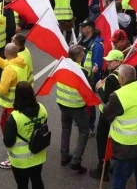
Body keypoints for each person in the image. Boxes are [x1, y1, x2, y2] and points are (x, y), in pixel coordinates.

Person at [103, 64, 137, 189]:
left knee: (119, 180)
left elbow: (107, 113)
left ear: (121, 78)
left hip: (128, 148)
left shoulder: (118, 95)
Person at [0, 43, 27, 168]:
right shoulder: (20, 63)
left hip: (10, 105)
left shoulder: (9, 70)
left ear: (5, 53)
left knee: (8, 130)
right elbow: (6, 63)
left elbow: (3, 90)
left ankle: (12, 158)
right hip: (20, 102)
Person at [4, 82, 48, 189]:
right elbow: (44, 128)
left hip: (20, 161)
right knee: (37, 181)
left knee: (22, 185)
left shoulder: (14, 117)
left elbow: (8, 141)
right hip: (38, 155)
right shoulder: (42, 108)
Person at [90, 49, 124, 181]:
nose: (107, 62)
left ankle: (102, 170)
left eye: (110, 61)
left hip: (106, 116)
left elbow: (107, 99)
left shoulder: (111, 78)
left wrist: (99, 87)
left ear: (118, 61)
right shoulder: (124, 74)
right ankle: (113, 165)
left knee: (102, 142)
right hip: (118, 115)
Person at [57, 45, 90, 175]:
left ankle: (64, 156)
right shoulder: (81, 71)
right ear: (78, 57)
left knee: (66, 128)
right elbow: (88, 89)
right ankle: (76, 160)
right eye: (82, 55)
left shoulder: (62, 65)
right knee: (84, 131)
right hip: (76, 105)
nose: (83, 57)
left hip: (62, 102)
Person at [77, 18, 103, 133]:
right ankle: (82, 121)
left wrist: (93, 79)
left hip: (89, 78)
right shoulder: (82, 39)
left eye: (84, 27)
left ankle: (90, 126)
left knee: (89, 103)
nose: (81, 28)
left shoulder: (96, 45)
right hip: (81, 75)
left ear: (90, 29)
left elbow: (97, 65)